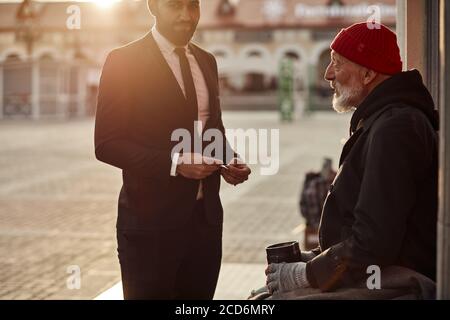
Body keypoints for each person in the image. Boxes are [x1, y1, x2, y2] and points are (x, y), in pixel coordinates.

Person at [266, 22, 439, 295]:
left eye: (336, 63)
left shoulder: (396, 126)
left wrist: (306, 274)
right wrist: (311, 259)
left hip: (396, 280)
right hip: (376, 272)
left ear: (368, 73)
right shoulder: (385, 119)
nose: (327, 74)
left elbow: (375, 242)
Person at [95, 0, 251, 299]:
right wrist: (175, 163)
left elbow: (211, 129)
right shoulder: (123, 61)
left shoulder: (206, 60)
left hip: (205, 224)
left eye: (193, 6)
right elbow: (107, 143)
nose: (186, 15)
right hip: (149, 226)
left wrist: (229, 159)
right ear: (153, 6)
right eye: (174, 6)